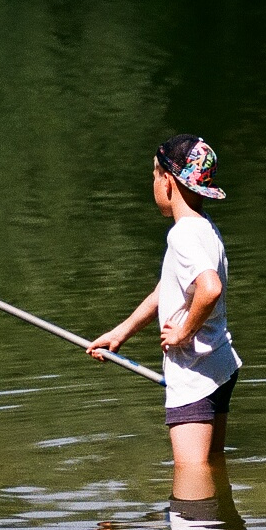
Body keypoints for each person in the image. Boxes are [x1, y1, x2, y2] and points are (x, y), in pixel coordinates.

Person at [88, 135, 241, 473]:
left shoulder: (182, 234)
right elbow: (169, 288)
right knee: (213, 468)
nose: (153, 183)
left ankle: (192, 525)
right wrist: (121, 332)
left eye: (155, 174)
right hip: (219, 366)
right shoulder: (204, 229)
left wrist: (183, 333)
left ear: (168, 182)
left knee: (191, 481)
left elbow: (209, 288)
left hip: (193, 374)